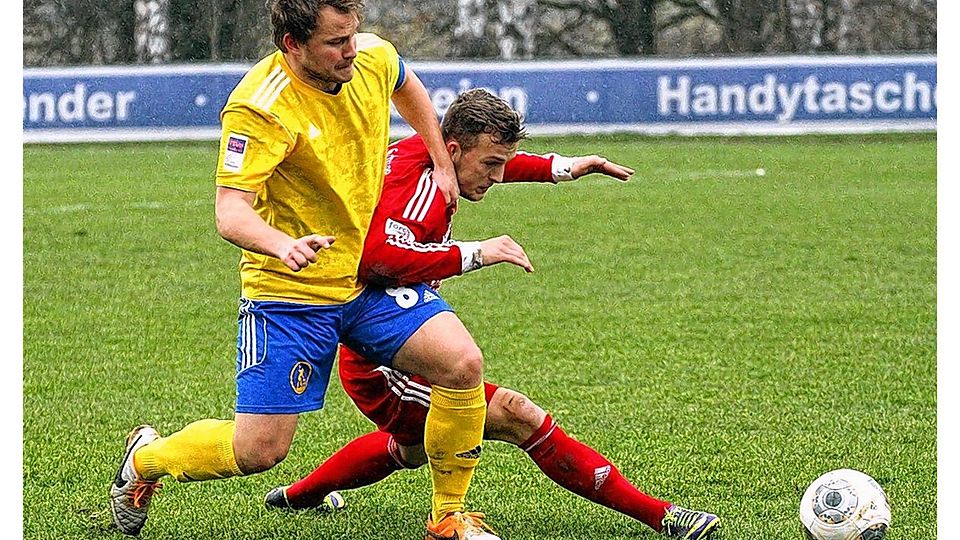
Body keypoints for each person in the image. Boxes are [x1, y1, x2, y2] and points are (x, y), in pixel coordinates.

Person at [109, 3, 499, 539]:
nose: (352, 50)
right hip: (289, 291)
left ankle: (448, 516)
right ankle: (145, 461)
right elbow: (231, 212)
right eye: (336, 42)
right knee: (259, 451)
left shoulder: (372, 58)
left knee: (461, 363)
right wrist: (281, 244)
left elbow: (407, 85)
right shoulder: (258, 108)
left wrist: (437, 155)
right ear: (292, 44)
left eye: (353, 35)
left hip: (363, 281)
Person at [263, 89, 722, 540]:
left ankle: (299, 496)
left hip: (391, 333)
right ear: (455, 149)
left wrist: (563, 168)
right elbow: (377, 261)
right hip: (382, 360)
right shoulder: (419, 187)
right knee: (517, 414)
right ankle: (663, 517)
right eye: (489, 165)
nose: (497, 177)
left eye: (501, 164)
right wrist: (475, 253)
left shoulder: (427, 151)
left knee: (410, 446)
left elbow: (490, 161)